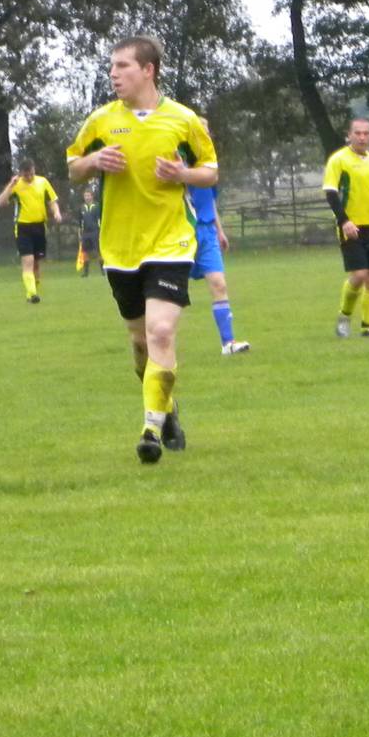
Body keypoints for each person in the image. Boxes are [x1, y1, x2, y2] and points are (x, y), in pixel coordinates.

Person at [67, 35, 218, 465]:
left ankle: (150, 429)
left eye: (123, 66)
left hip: (171, 242)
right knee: (139, 344)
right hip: (119, 247)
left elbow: (210, 170)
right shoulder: (100, 121)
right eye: (112, 67)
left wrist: (183, 174)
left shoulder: (183, 120)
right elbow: (73, 166)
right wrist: (94, 163)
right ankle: (166, 409)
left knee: (162, 332)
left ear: (148, 70)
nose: (113, 74)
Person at [323, 118, 369, 338]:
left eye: (366, 133)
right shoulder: (339, 160)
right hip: (351, 226)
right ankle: (344, 316)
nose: (362, 137)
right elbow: (331, 192)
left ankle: (368, 327)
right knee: (360, 274)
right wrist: (344, 221)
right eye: (358, 133)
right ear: (349, 135)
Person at [187, 181, 252, 355]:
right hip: (180, 233)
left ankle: (228, 344)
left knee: (219, 285)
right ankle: (156, 346)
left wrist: (220, 231)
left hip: (208, 233)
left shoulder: (208, 171)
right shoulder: (176, 167)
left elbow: (210, 201)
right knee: (170, 293)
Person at [0, 158, 62, 302]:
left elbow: (52, 201)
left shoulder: (43, 182)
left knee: (36, 264)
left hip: (40, 227)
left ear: (34, 170)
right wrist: (10, 185)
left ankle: (33, 292)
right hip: (23, 227)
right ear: (21, 173)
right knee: (28, 261)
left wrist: (56, 212)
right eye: (26, 175)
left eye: (31, 173)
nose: (30, 177)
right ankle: (32, 294)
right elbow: (1, 202)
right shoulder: (16, 185)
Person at [75, 188, 101, 276]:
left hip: (95, 232)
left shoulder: (97, 206)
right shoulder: (81, 207)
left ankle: (103, 271)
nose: (87, 197)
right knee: (85, 252)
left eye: (88, 195)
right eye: (85, 196)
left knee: (98, 251)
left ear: (92, 196)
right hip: (85, 233)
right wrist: (79, 233)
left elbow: (100, 219)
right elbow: (80, 222)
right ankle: (86, 273)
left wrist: (100, 232)